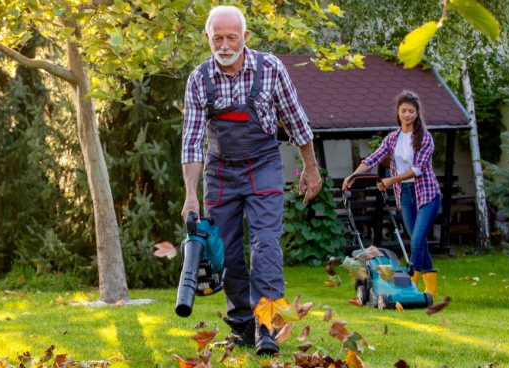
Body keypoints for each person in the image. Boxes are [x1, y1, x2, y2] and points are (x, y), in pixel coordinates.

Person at [180, 5, 321, 356]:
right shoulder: (199, 79)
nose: (225, 45)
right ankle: (242, 325)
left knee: (266, 244)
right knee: (223, 251)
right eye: (217, 38)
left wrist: (310, 168)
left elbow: (296, 121)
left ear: (245, 37)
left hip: (263, 164)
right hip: (221, 170)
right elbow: (193, 141)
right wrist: (191, 196)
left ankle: (267, 324)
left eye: (232, 37)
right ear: (207, 38)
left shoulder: (270, 68)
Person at [342, 90, 441, 298]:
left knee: (416, 240)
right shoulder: (392, 138)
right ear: (398, 112)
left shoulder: (425, 138)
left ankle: (411, 281)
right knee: (418, 241)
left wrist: (389, 180)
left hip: (427, 194)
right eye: (404, 111)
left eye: (411, 111)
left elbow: (417, 169)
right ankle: (430, 288)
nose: (407, 115)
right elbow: (372, 160)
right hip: (405, 194)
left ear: (417, 114)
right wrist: (351, 177)